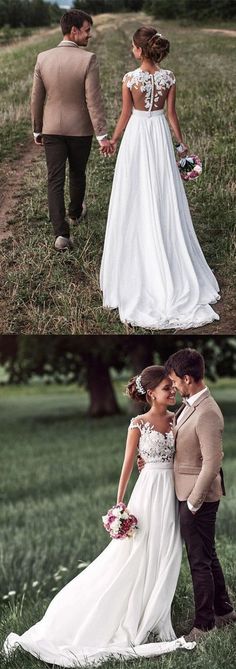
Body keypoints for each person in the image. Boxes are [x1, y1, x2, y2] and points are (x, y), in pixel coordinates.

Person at [4, 366, 195, 667]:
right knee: (137, 554)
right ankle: (128, 613)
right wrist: (119, 505)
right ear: (150, 393)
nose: (172, 391)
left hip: (170, 493)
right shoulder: (138, 424)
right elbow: (128, 464)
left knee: (168, 552)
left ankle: (159, 614)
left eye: (173, 386)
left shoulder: (178, 419)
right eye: (166, 388)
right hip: (146, 495)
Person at [100, 26, 220, 330]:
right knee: (163, 193)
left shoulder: (130, 79)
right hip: (159, 137)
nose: (131, 50)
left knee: (135, 192)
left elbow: (126, 116)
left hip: (139, 137)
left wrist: (112, 140)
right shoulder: (169, 78)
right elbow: (171, 115)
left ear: (140, 50)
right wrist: (180, 146)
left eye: (132, 47)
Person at [139, 348, 235, 643]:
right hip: (187, 492)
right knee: (208, 555)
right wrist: (151, 460)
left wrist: (192, 502)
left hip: (199, 498)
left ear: (188, 378)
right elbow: (181, 446)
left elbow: (212, 462)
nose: (174, 387)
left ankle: (204, 625)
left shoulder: (207, 412)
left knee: (199, 561)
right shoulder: (191, 404)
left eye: (175, 382)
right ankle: (224, 610)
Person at [31, 9, 111, 251]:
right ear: (74, 30)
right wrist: (102, 134)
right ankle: (75, 213)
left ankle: (61, 235)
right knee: (77, 173)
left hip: (52, 128)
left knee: (54, 179)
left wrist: (37, 129)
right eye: (87, 30)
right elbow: (93, 100)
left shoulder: (43, 57)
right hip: (80, 130)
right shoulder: (88, 59)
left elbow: (36, 98)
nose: (90, 35)